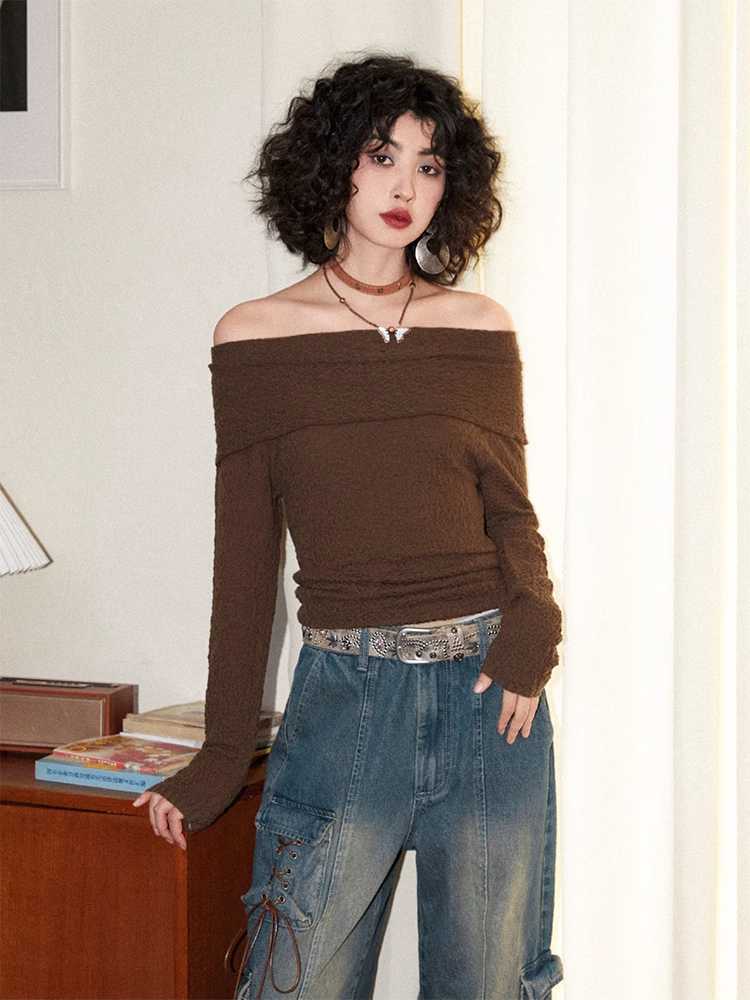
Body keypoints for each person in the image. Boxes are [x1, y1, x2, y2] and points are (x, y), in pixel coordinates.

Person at [132, 52, 564, 1000]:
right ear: (333, 166)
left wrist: (534, 624)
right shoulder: (255, 337)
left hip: (489, 696)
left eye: (429, 165)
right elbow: (245, 566)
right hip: (345, 701)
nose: (406, 187)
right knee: (298, 982)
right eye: (382, 157)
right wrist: (219, 757)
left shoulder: (478, 327)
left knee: (489, 985)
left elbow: (510, 509)